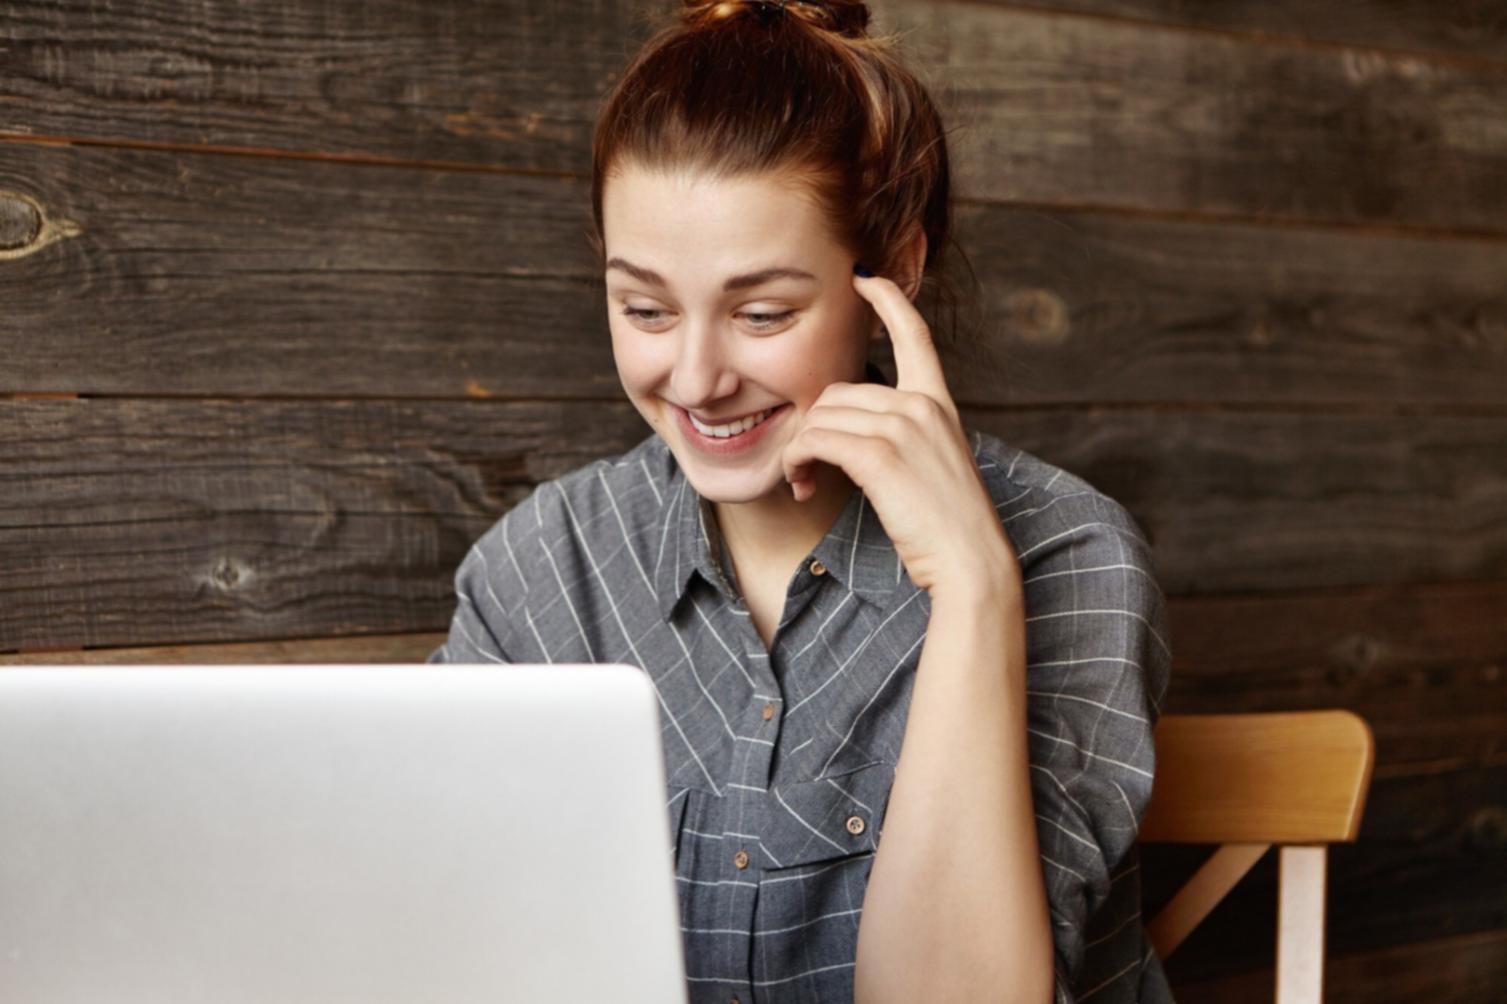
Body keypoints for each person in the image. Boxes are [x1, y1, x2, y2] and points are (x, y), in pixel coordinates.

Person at [428, 0, 1174, 1001]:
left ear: (893, 272)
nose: (694, 378)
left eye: (762, 312)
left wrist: (973, 585)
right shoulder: (536, 572)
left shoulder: (1065, 554)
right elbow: (440, 942)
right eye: (643, 307)